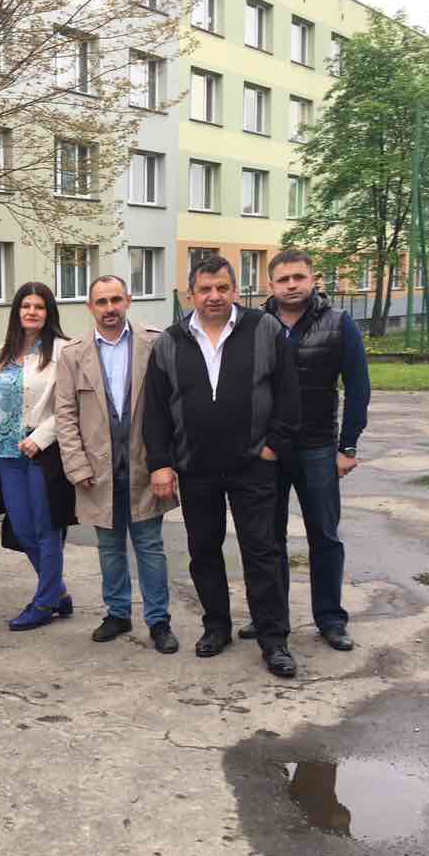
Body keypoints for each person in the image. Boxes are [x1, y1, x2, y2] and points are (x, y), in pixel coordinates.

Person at [143, 255, 302, 678]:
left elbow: (289, 394)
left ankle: (274, 640)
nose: (213, 296)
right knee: (203, 551)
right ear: (190, 294)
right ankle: (216, 627)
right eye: (205, 289)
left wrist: (273, 448)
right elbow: (155, 411)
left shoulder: (264, 330)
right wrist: (160, 464)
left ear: (234, 290)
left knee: (262, 552)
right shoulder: (170, 342)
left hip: (253, 466)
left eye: (222, 288)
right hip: (195, 467)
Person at [249, 249, 370, 651]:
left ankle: (331, 619)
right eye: (283, 279)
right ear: (270, 285)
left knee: (324, 536)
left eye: (299, 277)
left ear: (313, 279)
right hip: (269, 450)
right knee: (268, 540)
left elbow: (358, 387)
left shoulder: (339, 323)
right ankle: (271, 617)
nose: (291, 285)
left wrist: (347, 446)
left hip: (318, 447)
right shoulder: (255, 325)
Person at [56, 276, 179, 651]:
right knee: (109, 547)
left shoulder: (155, 343)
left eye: (115, 300)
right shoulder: (73, 354)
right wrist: (77, 467)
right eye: (101, 302)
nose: (109, 308)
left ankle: (158, 621)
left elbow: (172, 406)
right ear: (90, 307)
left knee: (150, 545)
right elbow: (65, 415)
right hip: (96, 470)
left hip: (145, 464)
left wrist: (166, 462)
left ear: (127, 300)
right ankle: (117, 613)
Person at [0, 282, 74, 631]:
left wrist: (40, 438)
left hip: (44, 452)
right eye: (26, 306)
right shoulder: (4, 351)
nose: (32, 312)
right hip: (7, 451)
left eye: (39, 306)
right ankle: (59, 593)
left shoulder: (64, 351)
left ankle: (44, 602)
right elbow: (4, 397)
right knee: (22, 529)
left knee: (46, 529)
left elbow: (70, 405)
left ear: (48, 312)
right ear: (17, 311)